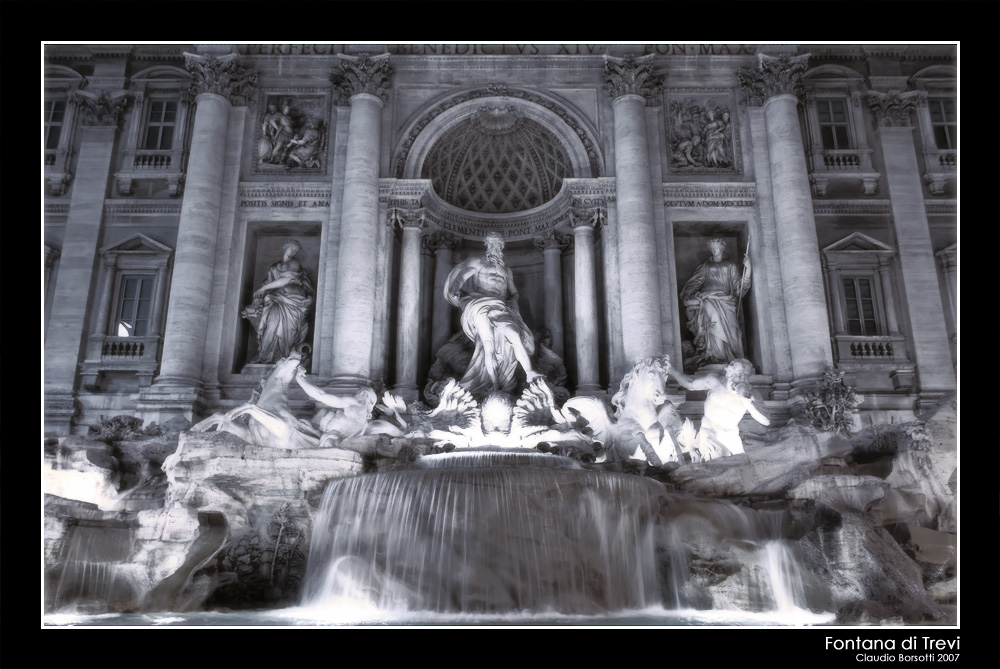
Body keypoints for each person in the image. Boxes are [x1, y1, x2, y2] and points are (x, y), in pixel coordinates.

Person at [444, 232, 541, 397]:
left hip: (501, 307)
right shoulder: (478, 262)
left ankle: (530, 372)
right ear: (487, 245)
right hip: (480, 304)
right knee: (488, 344)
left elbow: (514, 292)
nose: (496, 247)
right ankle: (495, 386)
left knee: (514, 335)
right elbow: (460, 278)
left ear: (502, 247)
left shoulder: (506, 270)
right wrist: (455, 291)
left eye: (499, 244)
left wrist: (512, 303)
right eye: (492, 243)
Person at [670, 358, 769, 460]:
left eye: (746, 375)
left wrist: (747, 401)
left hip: (730, 436)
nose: (743, 378)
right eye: (739, 374)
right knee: (719, 460)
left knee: (743, 464)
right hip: (709, 432)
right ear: (730, 373)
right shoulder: (715, 381)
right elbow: (690, 384)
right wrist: (669, 368)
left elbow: (765, 421)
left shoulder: (751, 393)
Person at [680, 236, 751, 367]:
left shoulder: (730, 266)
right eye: (712, 248)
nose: (714, 250)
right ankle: (715, 355)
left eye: (717, 247)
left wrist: (748, 270)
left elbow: (739, 287)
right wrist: (688, 295)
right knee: (714, 324)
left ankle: (730, 357)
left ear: (722, 249)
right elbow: (695, 282)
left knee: (733, 331)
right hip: (709, 299)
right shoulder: (705, 266)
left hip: (726, 301)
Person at [243, 240, 314, 364]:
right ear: (285, 247)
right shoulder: (274, 266)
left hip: (294, 300)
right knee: (272, 323)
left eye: (296, 250)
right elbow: (269, 282)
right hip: (276, 298)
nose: (293, 252)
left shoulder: (294, 263)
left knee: (288, 330)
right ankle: (265, 356)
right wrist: (262, 293)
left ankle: (284, 357)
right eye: (291, 248)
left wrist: (263, 289)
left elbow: (287, 279)